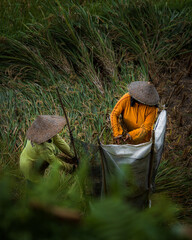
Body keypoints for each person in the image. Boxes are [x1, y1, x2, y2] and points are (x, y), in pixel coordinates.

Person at [20, 115, 77, 183]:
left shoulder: (46, 133)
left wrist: (73, 155)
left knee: (40, 177)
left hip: (34, 158)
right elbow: (54, 161)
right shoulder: (43, 147)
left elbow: (60, 142)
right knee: (35, 185)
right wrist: (71, 168)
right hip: (29, 166)